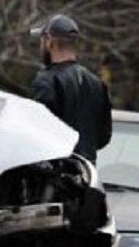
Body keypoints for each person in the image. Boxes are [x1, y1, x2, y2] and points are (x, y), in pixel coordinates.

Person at [30, 14, 111, 163]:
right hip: (87, 175)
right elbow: (103, 137)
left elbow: (38, 133)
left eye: (42, 41)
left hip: (55, 174)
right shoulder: (97, 84)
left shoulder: (46, 81)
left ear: (49, 41)